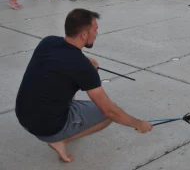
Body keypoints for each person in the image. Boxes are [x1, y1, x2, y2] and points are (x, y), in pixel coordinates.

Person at [15, 8, 153, 163]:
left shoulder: (48, 42)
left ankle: (58, 134)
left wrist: (85, 59)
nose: (96, 33)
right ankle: (59, 140)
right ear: (84, 35)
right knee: (107, 116)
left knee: (62, 83)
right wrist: (138, 124)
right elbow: (109, 111)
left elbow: (63, 57)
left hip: (23, 116)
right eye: (95, 30)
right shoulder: (82, 68)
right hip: (47, 127)